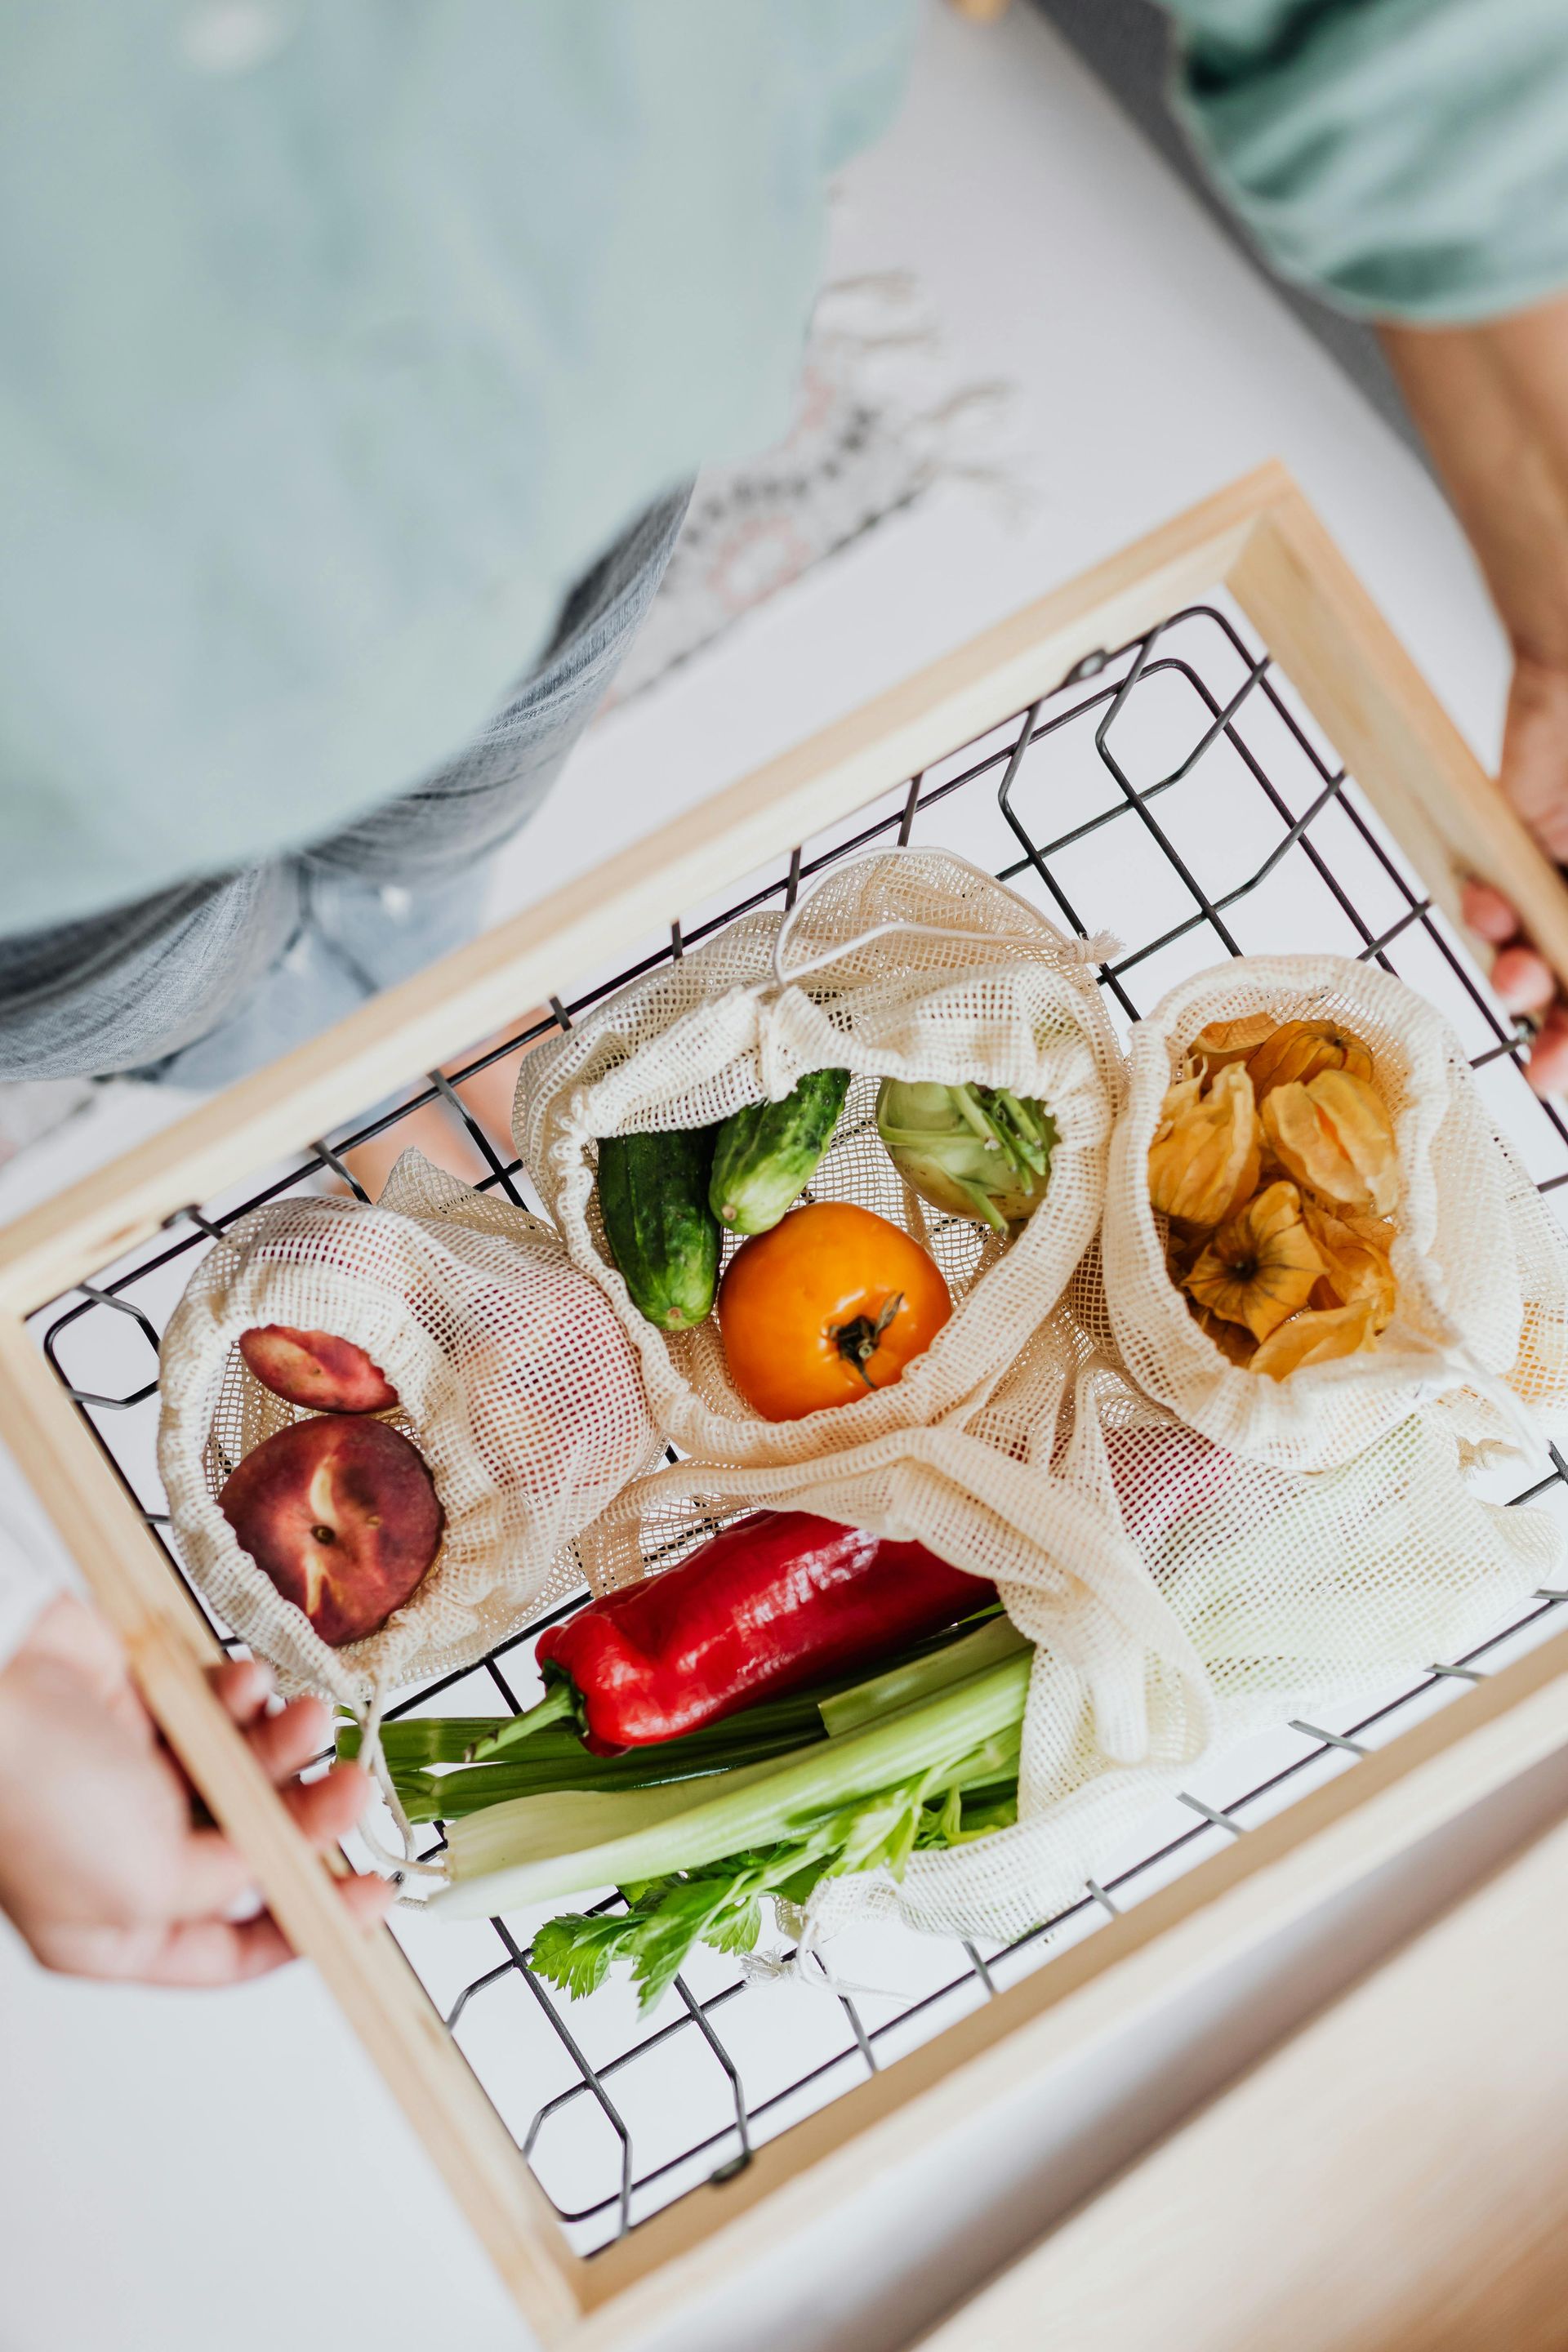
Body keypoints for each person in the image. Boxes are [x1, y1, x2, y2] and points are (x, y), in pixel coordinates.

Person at [4, 0, 1568, 1982]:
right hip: (33, 837)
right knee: (184, 981)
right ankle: (354, 1043)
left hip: (555, 438)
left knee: (432, 817)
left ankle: (389, 1002)